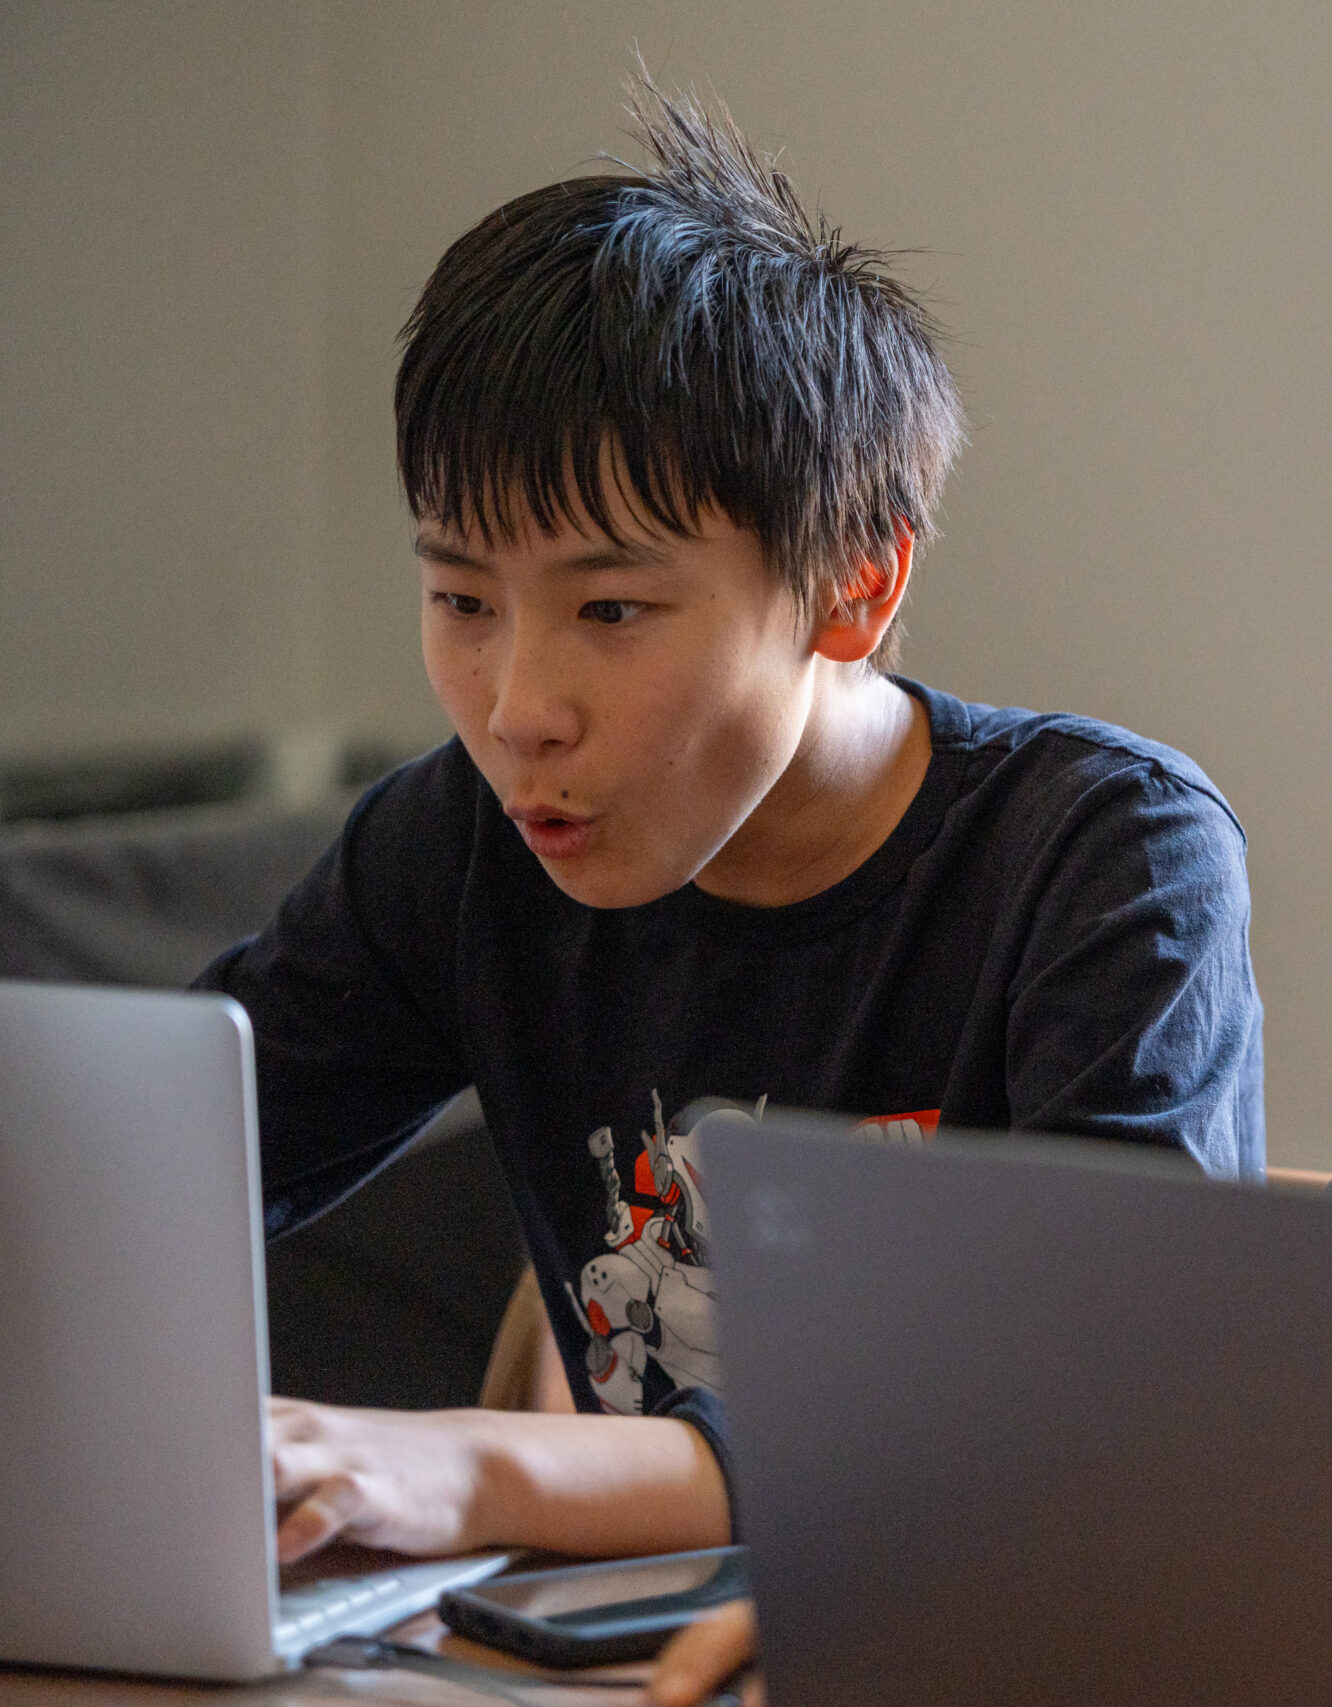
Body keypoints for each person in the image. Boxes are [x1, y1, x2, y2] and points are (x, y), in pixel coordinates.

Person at [202, 80, 1263, 1569]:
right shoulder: (467, 843)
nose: (517, 710)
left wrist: (486, 1469)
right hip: (617, 1647)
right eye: (460, 599)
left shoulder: (1102, 856)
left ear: (857, 585)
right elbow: (150, 1173)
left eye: (610, 610)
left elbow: (1104, 1407)